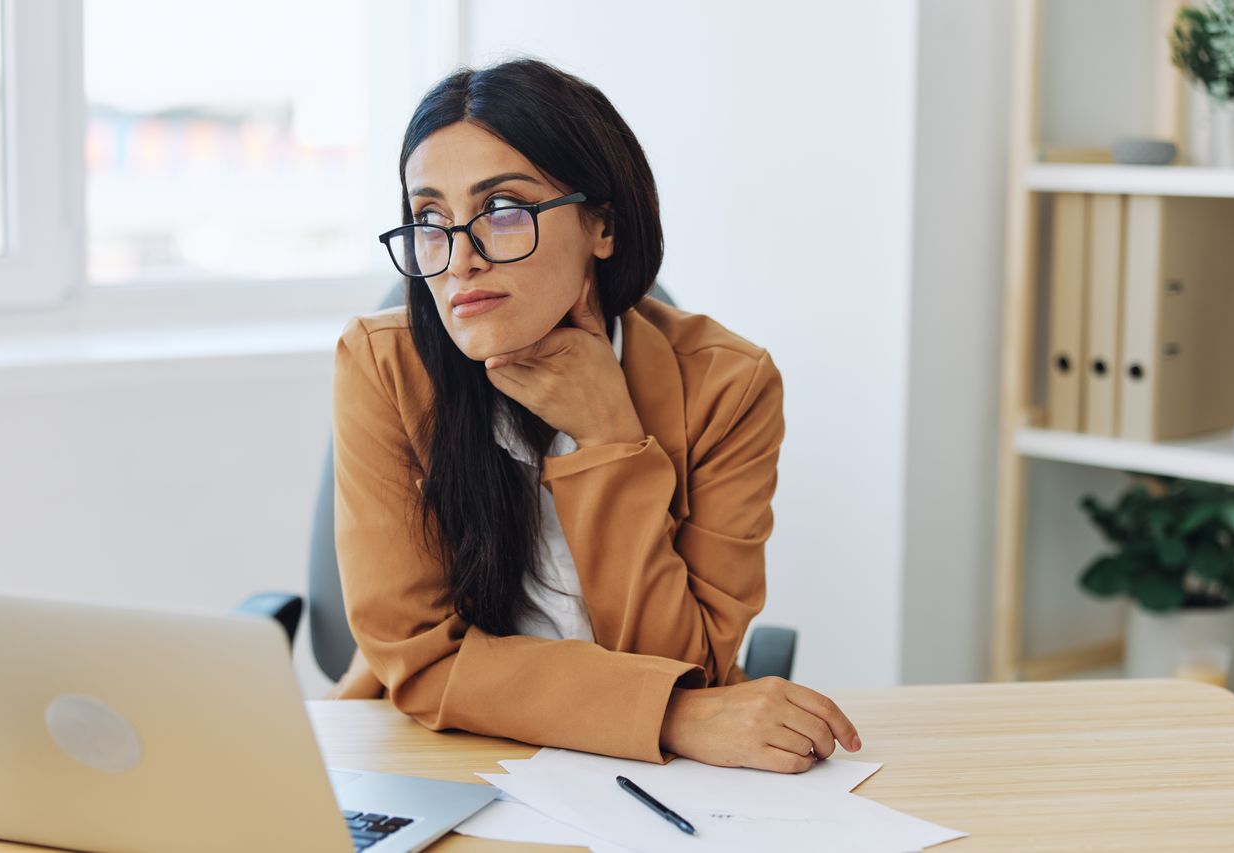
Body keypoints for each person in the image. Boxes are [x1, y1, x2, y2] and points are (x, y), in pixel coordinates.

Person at [326, 57, 861, 773]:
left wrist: (608, 436)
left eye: (503, 212)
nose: (459, 261)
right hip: (443, 752)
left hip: (659, 780)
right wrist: (664, 711)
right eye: (430, 220)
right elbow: (421, 662)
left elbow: (687, 663)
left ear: (601, 225)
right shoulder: (383, 365)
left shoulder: (730, 385)